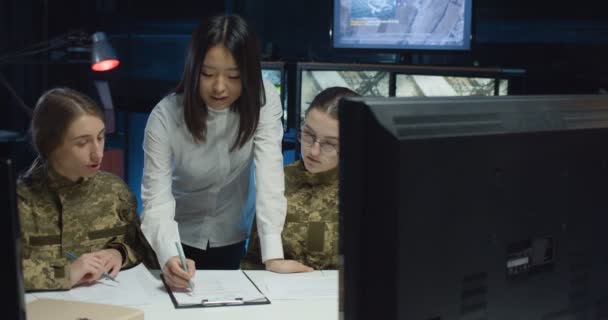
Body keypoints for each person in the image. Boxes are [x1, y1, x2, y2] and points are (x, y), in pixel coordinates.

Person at [141, 14, 298, 290]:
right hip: (177, 234)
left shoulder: (264, 100)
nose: (219, 87)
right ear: (192, 69)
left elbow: (269, 174)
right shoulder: (165, 116)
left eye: (234, 76)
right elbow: (157, 200)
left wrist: (273, 254)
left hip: (230, 234)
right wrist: (169, 253)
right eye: (208, 74)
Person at [18, 88, 147, 290]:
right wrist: (66, 273)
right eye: (82, 143)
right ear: (51, 145)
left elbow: (140, 246)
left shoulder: (114, 191)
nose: (98, 154)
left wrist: (119, 253)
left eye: (101, 137)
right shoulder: (18, 200)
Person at [242, 86, 359, 271]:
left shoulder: (365, 190)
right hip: (281, 292)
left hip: (338, 295)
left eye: (330, 144)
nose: (313, 151)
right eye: (309, 135)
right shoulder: (278, 183)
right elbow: (253, 262)